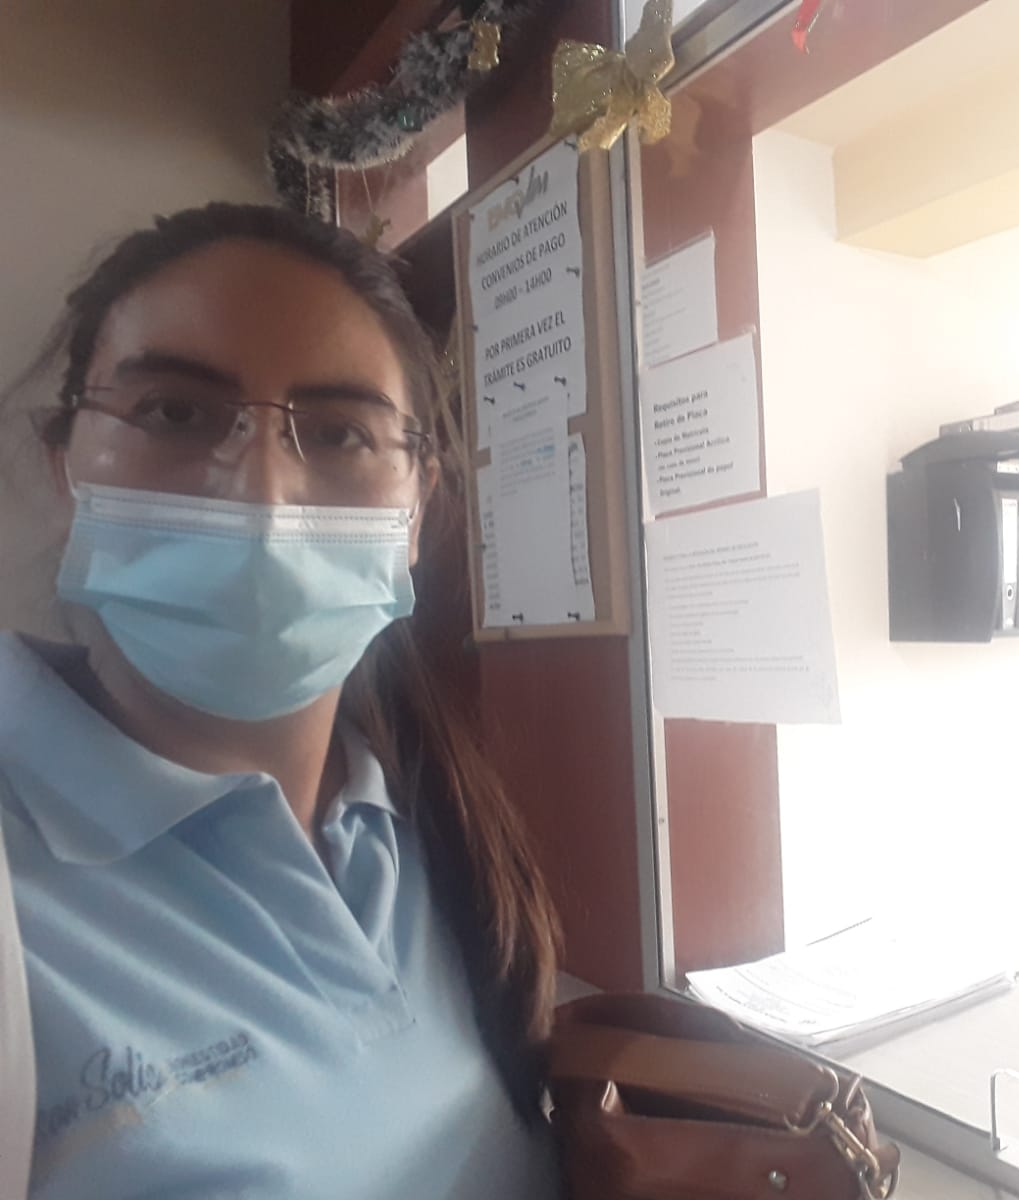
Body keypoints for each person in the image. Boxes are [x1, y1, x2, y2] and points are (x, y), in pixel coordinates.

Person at [0, 204, 565, 1198]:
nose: (261, 493)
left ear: (416, 508)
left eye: (341, 432)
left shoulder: (430, 823)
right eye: (175, 413)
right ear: (66, 465)